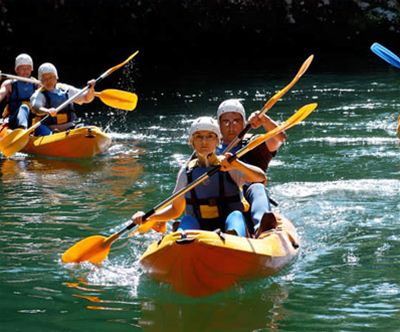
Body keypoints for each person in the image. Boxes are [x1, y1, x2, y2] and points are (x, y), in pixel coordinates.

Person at [132, 116, 266, 237]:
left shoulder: (228, 165)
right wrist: (149, 218)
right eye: (198, 137)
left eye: (210, 136)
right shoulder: (187, 172)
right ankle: (181, 239)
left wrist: (238, 165)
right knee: (187, 220)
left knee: (236, 215)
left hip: (229, 226)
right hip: (199, 230)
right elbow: (175, 210)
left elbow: (261, 178)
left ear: (217, 141)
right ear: (192, 142)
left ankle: (234, 237)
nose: (204, 141)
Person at [216, 99, 287, 237]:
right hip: (219, 199)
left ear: (244, 123)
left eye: (236, 120)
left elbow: (279, 138)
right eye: (226, 121)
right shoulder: (208, 146)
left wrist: (264, 120)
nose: (231, 126)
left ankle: (262, 228)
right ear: (218, 125)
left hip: (249, 199)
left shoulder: (254, 144)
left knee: (257, 187)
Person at [30, 62, 96, 136]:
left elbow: (87, 98)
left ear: (56, 77)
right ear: (41, 81)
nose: (48, 81)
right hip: (48, 127)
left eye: (51, 77)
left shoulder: (66, 89)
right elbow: (36, 107)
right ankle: (52, 136)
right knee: (40, 128)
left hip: (69, 126)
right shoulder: (39, 94)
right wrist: (47, 111)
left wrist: (91, 89)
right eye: (45, 79)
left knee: (86, 129)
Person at [0, 53, 37, 131]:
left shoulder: (37, 84)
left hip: (33, 119)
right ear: (17, 70)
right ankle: (22, 129)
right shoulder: (9, 84)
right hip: (14, 120)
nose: (25, 71)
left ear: (31, 69)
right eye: (22, 68)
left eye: (28, 68)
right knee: (24, 107)